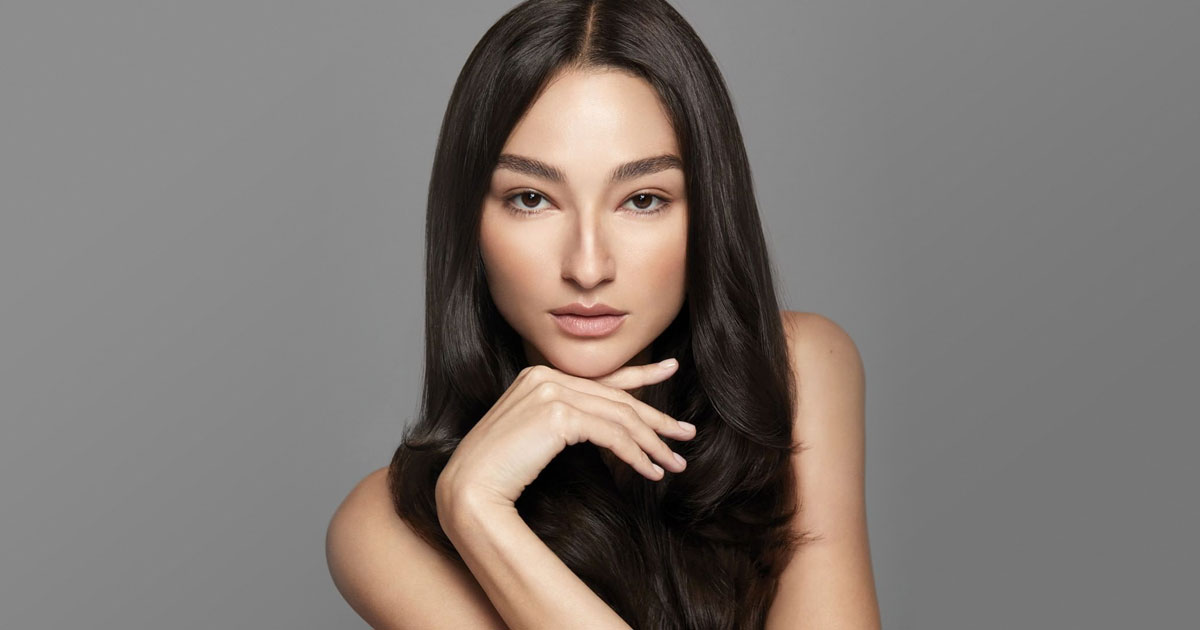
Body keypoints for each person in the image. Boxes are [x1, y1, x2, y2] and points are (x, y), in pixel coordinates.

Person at [325, 0, 881, 628]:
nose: (588, 268)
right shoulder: (388, 524)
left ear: (706, 213)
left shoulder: (796, 370)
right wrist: (476, 508)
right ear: (469, 225)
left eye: (643, 199)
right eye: (532, 198)